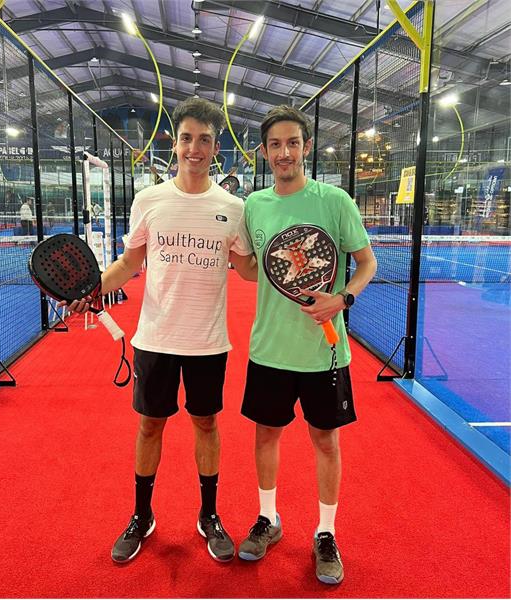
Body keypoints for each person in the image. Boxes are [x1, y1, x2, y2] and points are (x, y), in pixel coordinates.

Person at [66, 97, 254, 564]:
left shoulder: (233, 208)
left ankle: (208, 515)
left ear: (216, 148)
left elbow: (248, 269)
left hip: (208, 342)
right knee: (150, 426)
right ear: (175, 143)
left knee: (206, 424)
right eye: (187, 138)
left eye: (204, 140)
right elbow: (129, 263)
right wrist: (91, 288)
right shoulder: (149, 200)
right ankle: (142, 515)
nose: (194, 148)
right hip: (155, 339)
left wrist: (289, 269)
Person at [236, 105, 377, 585]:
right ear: (264, 151)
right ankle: (268, 518)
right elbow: (251, 268)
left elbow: (366, 262)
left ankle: (326, 532)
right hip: (269, 350)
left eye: (292, 143)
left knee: (326, 442)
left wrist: (342, 298)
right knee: (266, 435)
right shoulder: (255, 206)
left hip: (324, 353)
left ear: (306, 148)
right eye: (275, 145)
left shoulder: (334, 201)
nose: (284, 153)